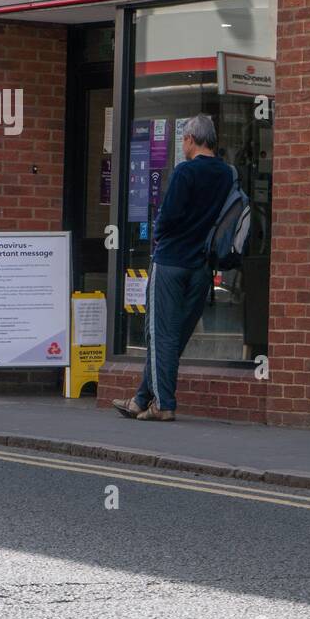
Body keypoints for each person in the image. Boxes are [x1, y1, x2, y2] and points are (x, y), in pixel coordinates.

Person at [113, 114, 235, 421]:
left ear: (191, 139)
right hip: (202, 266)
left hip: (170, 262)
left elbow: (169, 215)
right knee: (174, 335)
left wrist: (158, 233)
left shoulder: (185, 171)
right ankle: (141, 398)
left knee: (160, 333)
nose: (182, 145)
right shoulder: (226, 173)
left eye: (183, 139)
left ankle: (164, 404)